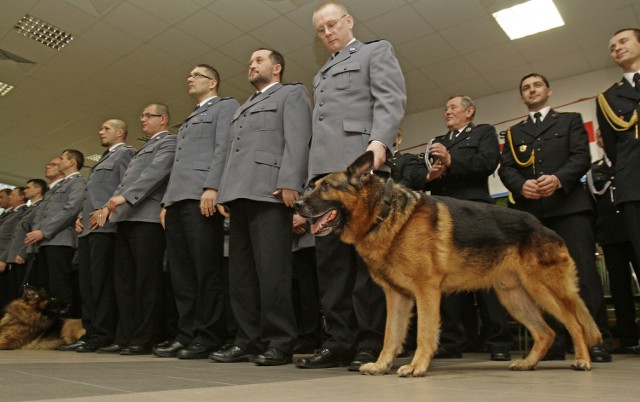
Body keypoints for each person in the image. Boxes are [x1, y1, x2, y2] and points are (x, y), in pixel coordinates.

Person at [297, 1, 406, 371]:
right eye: (320, 30)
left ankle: (371, 342)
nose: (327, 33)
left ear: (348, 21)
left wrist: (380, 142)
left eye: (332, 25)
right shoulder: (322, 73)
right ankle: (339, 341)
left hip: (362, 171)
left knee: (368, 263)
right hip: (326, 181)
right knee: (331, 265)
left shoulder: (376, 51)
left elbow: (390, 99)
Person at [499, 73, 612, 362]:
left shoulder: (570, 120)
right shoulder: (514, 133)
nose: (531, 90)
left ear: (549, 90)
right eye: (526, 88)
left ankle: (595, 340)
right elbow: (507, 168)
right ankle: (557, 341)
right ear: (522, 97)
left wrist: (558, 179)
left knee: (583, 275)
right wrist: (519, 185)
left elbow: (580, 157)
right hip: (532, 217)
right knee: (538, 281)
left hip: (570, 208)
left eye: (537, 85)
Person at [211, 48, 311, 366]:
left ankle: (280, 340)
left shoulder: (290, 94)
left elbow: (298, 139)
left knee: (273, 272)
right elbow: (232, 154)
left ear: (277, 67)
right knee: (240, 274)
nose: (251, 65)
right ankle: (247, 339)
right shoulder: (243, 108)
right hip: (239, 195)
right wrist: (224, 192)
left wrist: (292, 182)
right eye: (250, 62)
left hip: (270, 192)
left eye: (259, 61)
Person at [406, 95, 513, 361]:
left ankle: (497, 340)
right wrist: (430, 175)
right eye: (445, 108)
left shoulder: (484, 132)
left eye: (453, 107)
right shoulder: (438, 142)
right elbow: (428, 178)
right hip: (444, 215)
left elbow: (488, 163)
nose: (447, 112)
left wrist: (451, 160)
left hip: (477, 212)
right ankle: (452, 340)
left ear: (469, 111)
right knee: (446, 277)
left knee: (488, 276)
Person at [156, 64, 238, 360]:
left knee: (206, 271)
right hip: (177, 200)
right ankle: (186, 334)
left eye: (196, 75)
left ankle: (209, 335)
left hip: (201, 197)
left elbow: (223, 148)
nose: (189, 78)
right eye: (188, 75)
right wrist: (166, 202)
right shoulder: (189, 119)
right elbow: (177, 165)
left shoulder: (224, 107)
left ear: (213, 82)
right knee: (182, 275)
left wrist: (213, 187)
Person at [94, 104, 176, 355]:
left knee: (146, 282)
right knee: (124, 282)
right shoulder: (141, 150)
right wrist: (108, 207)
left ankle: (145, 337)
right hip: (126, 219)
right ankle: (125, 336)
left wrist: (125, 197)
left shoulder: (168, 142)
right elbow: (124, 182)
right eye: (140, 115)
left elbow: (155, 174)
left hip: (148, 219)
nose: (142, 119)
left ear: (162, 119)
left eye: (147, 116)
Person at [72, 119, 135, 353]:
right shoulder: (102, 159)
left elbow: (125, 185)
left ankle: (103, 333)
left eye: (106, 128)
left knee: (101, 284)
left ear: (120, 132)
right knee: (87, 284)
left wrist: (108, 210)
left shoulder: (125, 154)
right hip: (89, 227)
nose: (101, 131)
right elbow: (93, 193)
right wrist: (80, 214)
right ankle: (90, 333)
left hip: (106, 227)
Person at [596, 28, 640, 297]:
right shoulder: (607, 98)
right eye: (612, 47)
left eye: (623, 41)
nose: (617, 48)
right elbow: (613, 148)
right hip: (633, 185)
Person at [587, 129, 639, 351]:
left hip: (635, 231)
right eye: (600, 137)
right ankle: (628, 339)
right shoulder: (594, 170)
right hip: (611, 235)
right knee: (619, 288)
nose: (603, 139)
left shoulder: (632, 161)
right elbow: (593, 206)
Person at [25, 149, 86, 318]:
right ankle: (47, 326)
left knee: (60, 287)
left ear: (72, 162)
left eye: (61, 158)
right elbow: (43, 212)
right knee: (45, 288)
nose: (58, 162)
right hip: (44, 242)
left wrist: (44, 231)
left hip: (60, 241)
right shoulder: (58, 186)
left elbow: (70, 210)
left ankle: (62, 327)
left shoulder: (78, 182)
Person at [1, 179, 47, 292]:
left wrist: (22, 252)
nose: (25, 190)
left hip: (24, 254)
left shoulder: (40, 206)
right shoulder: (30, 208)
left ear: (38, 189)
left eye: (28, 187)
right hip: (13, 255)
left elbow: (28, 232)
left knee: (18, 291)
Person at [0, 187, 28, 310]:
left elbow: (14, 237)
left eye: (12, 194)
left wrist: (4, 258)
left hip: (6, 256)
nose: (10, 197)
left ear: (21, 197)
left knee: (6, 295)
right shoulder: (10, 214)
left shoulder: (22, 212)